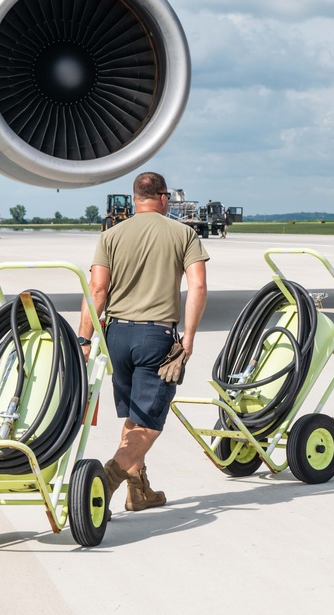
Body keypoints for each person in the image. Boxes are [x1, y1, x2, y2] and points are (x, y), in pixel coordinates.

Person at [78, 171, 209, 514]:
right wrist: (189, 336)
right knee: (149, 424)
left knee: (135, 417)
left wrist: (84, 337)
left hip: (116, 336)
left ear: (134, 199)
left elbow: (97, 291)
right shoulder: (183, 233)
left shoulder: (111, 234)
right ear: (164, 198)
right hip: (156, 337)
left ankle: (139, 489)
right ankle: (104, 482)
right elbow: (197, 286)